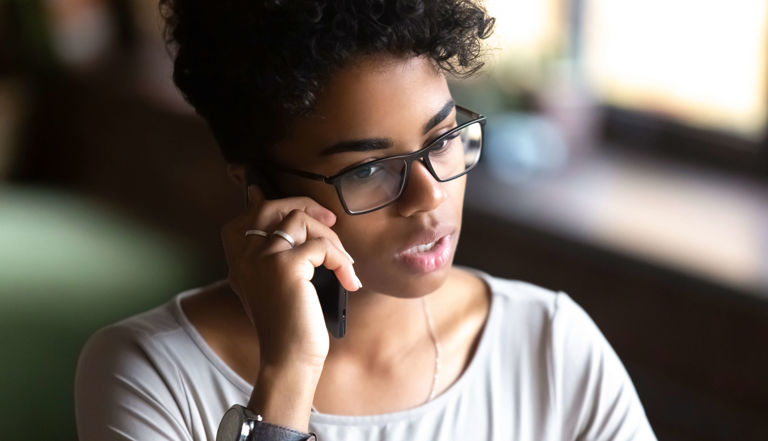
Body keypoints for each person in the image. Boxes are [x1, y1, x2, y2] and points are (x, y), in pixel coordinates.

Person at [75, 1, 657, 440]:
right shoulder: (149, 376)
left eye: (443, 139)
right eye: (370, 170)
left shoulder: (550, 348)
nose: (428, 197)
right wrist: (288, 372)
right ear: (259, 187)